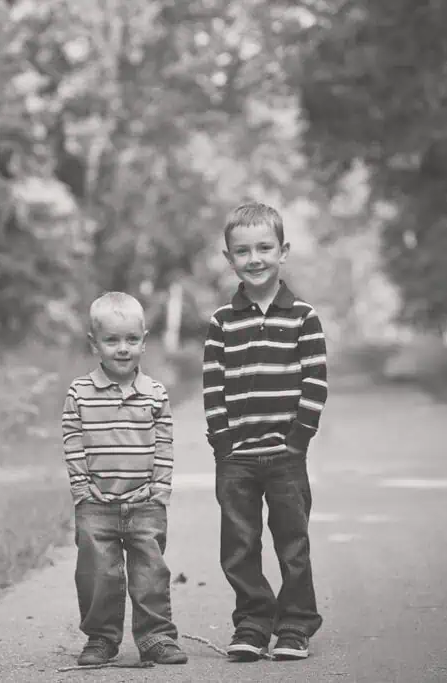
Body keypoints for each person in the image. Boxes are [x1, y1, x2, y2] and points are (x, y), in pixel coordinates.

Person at [202, 202, 329, 662]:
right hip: (235, 458)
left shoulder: (303, 317)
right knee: (239, 546)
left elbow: (315, 382)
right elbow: (212, 385)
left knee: (292, 544)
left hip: (285, 456)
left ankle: (295, 625)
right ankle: (253, 623)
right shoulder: (222, 322)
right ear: (228, 257)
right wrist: (221, 442)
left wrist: (299, 438)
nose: (254, 258)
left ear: (283, 251)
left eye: (264, 247)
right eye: (243, 250)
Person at [61, 291, 189, 667]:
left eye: (131, 340)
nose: (122, 349)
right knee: (97, 575)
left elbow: (164, 441)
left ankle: (156, 637)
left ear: (144, 342)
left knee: (150, 574)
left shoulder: (154, 393)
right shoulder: (80, 393)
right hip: (96, 505)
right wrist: (82, 489)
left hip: (145, 502)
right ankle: (101, 638)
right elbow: (72, 442)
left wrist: (161, 488)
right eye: (112, 340)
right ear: (94, 344)